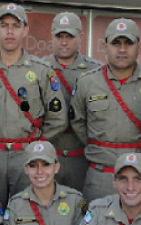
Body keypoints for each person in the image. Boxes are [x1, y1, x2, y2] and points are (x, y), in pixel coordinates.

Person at [0, 3, 67, 206]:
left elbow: (58, 117)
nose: (10, 31)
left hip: (27, 155)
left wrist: (37, 145)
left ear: (25, 30)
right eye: (4, 25)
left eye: (16, 25)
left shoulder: (41, 71)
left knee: (27, 211)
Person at [71, 18, 141, 202]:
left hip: (139, 177)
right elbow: (78, 122)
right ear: (105, 46)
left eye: (128, 43)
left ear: (139, 46)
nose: (122, 49)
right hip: (100, 176)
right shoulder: (87, 83)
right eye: (115, 43)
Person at [42, 12, 101, 191]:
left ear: (81, 37)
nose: (64, 42)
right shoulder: (39, 68)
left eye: (70, 36)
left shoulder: (96, 71)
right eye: (59, 36)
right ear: (52, 36)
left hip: (82, 157)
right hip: (47, 157)